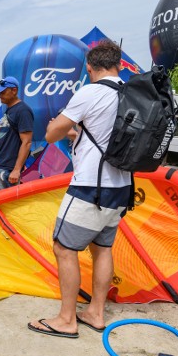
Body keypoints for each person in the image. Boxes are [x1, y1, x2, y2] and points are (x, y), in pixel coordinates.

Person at [28, 39, 131, 338]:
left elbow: (50, 134)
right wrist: (79, 134)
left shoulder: (90, 92)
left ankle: (66, 319)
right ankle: (96, 313)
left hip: (90, 186)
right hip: (122, 187)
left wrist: (58, 128)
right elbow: (105, 134)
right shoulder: (130, 93)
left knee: (63, 247)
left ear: (89, 67)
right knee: (102, 249)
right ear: (120, 64)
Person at [0, 76, 34, 193]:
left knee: (9, 201)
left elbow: (27, 142)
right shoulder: (9, 109)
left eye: (2, 92)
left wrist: (16, 169)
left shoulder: (23, 111)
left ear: (14, 90)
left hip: (8, 166)